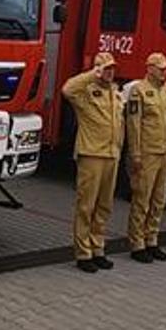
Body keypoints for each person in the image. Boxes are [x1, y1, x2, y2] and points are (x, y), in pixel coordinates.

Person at [63, 52, 123, 273]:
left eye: (111, 68)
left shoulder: (115, 94)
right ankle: (83, 252)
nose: (110, 72)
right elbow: (67, 89)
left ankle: (98, 247)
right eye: (105, 68)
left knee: (104, 206)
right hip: (91, 155)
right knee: (86, 206)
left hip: (111, 155)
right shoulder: (86, 93)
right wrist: (91, 74)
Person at [123, 52, 166, 264]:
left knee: (159, 199)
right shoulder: (139, 91)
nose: (165, 71)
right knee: (142, 199)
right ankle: (137, 243)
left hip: (164, 151)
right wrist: (135, 153)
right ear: (150, 68)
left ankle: (151, 239)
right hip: (147, 152)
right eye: (161, 68)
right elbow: (134, 125)